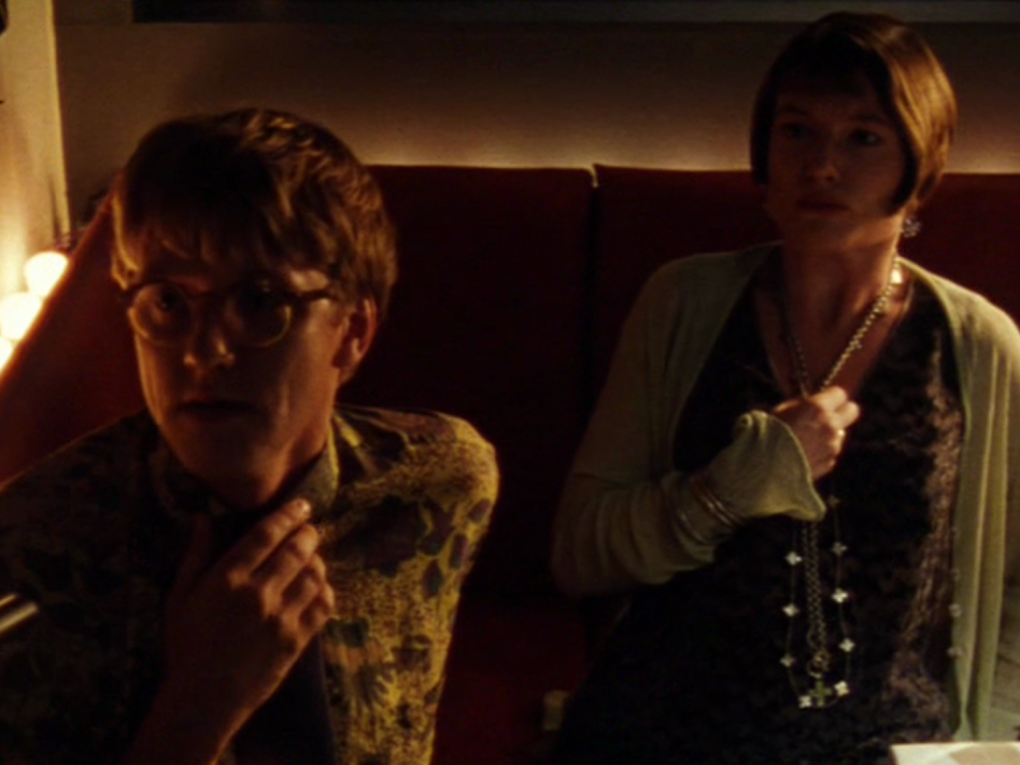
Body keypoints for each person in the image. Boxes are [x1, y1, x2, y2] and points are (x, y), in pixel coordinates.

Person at [550, 12, 1020, 764]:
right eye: (797, 131)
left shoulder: (980, 345)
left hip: (890, 744)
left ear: (919, 162)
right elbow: (581, 551)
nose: (821, 166)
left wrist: (986, 745)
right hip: (669, 734)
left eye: (863, 138)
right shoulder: (684, 302)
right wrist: (724, 492)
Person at [0, 108, 498, 765]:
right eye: (169, 302)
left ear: (353, 333)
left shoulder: (441, 479)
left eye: (261, 301)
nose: (204, 352)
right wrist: (199, 706)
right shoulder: (30, 550)